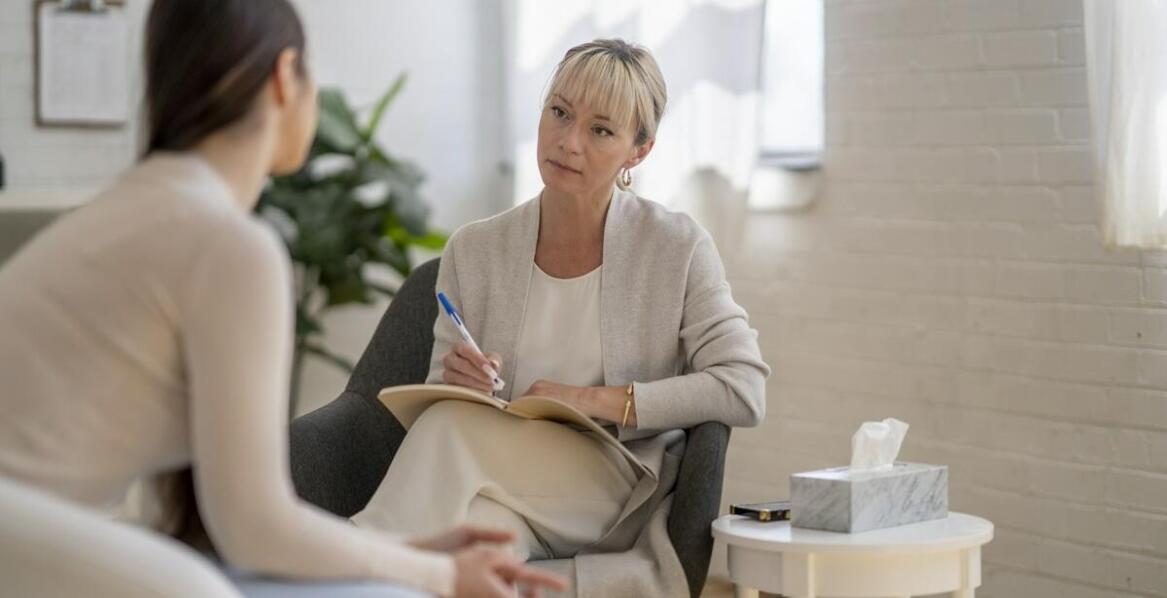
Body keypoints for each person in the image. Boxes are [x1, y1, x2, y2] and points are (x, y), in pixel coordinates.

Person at [0, 1, 566, 596]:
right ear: (283, 76)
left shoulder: (138, 207)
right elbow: (254, 527)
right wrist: (441, 575)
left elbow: (236, 522)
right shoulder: (227, 243)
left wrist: (406, 552)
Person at [354, 39, 770, 595]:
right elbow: (441, 386)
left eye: (600, 130)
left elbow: (743, 386)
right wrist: (461, 380)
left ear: (638, 152)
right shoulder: (475, 249)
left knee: (448, 429)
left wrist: (594, 399)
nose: (568, 141)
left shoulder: (677, 247)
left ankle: (340, 569)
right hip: (501, 478)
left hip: (614, 486)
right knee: (475, 555)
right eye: (559, 112)